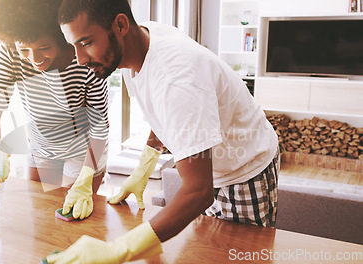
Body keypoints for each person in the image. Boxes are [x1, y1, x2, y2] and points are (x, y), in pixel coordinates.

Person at [45, 0, 279, 263]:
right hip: (212, 167)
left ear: (120, 25)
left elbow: (199, 191)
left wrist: (119, 250)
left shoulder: (176, 78)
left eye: (86, 43)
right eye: (73, 45)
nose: (80, 59)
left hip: (243, 168)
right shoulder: (136, 47)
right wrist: (146, 165)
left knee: (238, 256)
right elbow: (164, 114)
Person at [0, 0, 110, 220]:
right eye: (24, 50)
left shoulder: (85, 58)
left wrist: (86, 176)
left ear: (62, 37)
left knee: (73, 221)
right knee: (41, 219)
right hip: (41, 147)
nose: (34, 59)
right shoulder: (11, 51)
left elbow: (100, 128)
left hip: (83, 151)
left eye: (44, 47)